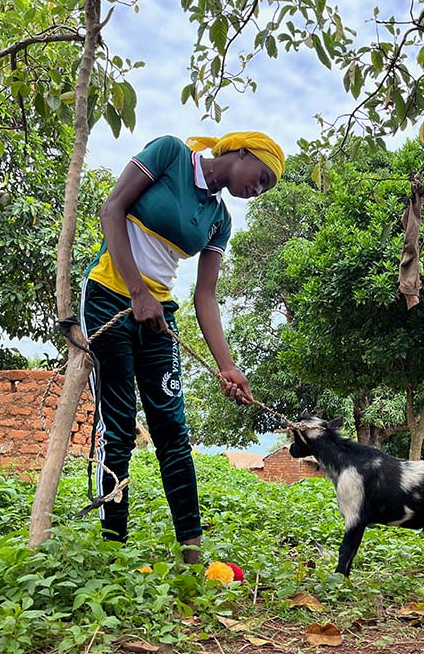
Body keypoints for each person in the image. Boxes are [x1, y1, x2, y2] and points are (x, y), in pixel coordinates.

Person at [79, 132, 284, 563]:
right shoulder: (170, 154)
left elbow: (205, 296)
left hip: (159, 316)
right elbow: (111, 209)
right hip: (109, 298)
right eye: (260, 176)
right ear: (240, 152)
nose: (257, 189)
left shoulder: (219, 219)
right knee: (117, 427)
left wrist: (227, 366)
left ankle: (191, 549)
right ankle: (112, 545)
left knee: (173, 432)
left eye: (265, 188)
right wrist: (137, 291)